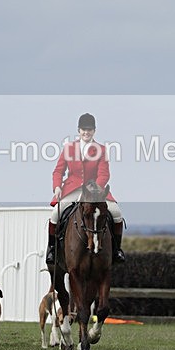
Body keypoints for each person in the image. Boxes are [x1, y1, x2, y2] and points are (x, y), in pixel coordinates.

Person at [46, 112, 125, 265]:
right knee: (55, 215)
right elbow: (58, 171)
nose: (86, 132)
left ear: (94, 131)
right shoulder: (69, 148)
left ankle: (116, 250)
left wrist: (96, 190)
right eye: (83, 129)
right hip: (72, 189)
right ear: (79, 130)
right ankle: (52, 249)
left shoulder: (101, 149)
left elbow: (104, 173)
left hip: (94, 190)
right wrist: (57, 186)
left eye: (89, 130)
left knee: (116, 213)